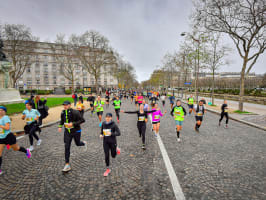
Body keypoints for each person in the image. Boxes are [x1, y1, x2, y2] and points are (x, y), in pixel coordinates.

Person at [0, 106, 31, 175]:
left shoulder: (5, 118)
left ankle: (26, 151)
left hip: (8, 137)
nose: (0, 111)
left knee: (16, 148)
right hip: (1, 138)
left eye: (2, 110)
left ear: (5, 111)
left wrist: (0, 126)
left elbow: (7, 128)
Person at [58, 101, 87, 172]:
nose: (65, 106)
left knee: (77, 143)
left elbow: (82, 120)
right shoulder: (62, 112)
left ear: (70, 105)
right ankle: (67, 164)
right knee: (67, 146)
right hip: (67, 132)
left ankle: (83, 143)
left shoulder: (75, 112)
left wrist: (73, 124)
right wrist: (60, 126)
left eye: (66, 105)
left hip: (76, 131)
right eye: (64, 105)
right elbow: (62, 120)